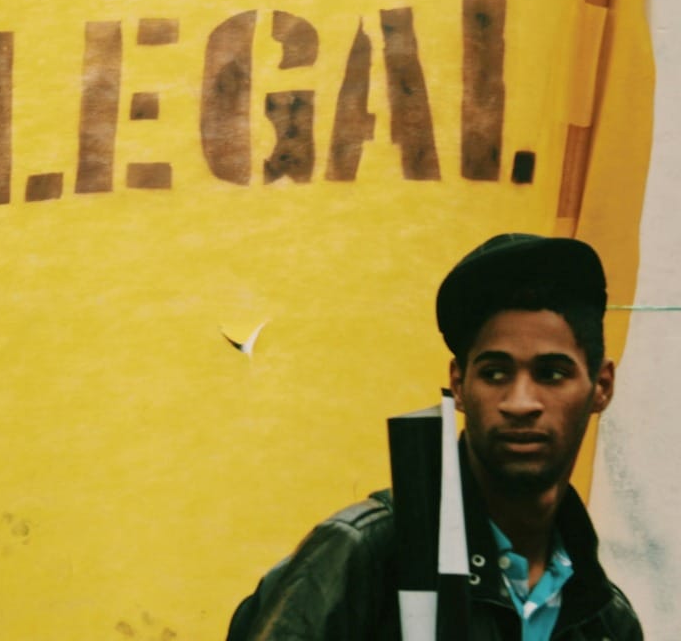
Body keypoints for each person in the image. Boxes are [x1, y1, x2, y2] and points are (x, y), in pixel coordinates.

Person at [226, 233, 642, 640]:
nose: (520, 402)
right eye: (495, 373)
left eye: (551, 374)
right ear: (459, 386)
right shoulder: (366, 555)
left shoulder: (605, 620)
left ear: (601, 386)